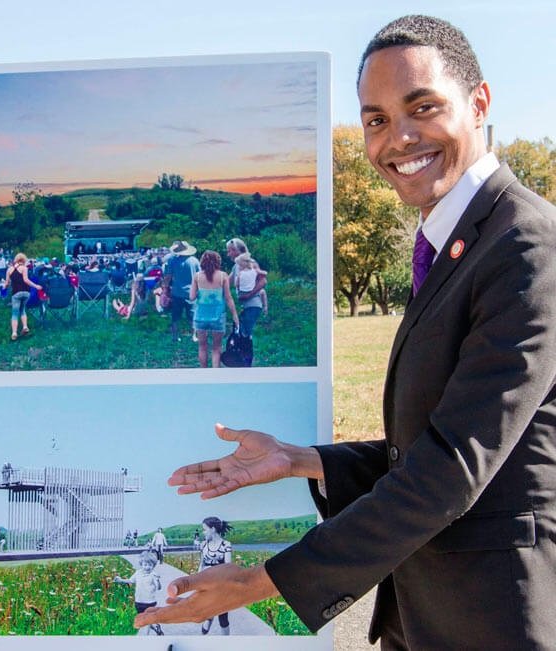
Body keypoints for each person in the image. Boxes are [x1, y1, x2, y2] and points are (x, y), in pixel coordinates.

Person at [134, 15, 556, 650]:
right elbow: (422, 444)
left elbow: (451, 469)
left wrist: (255, 582)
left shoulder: (525, 245)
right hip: (427, 614)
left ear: (479, 103)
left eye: (423, 106)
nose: (398, 138)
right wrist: (297, 460)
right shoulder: (453, 239)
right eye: (376, 119)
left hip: (491, 618)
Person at [189, 250, 239, 368]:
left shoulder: (197, 276)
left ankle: (204, 373)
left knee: (202, 347)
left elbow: (191, 297)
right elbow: (228, 298)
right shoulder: (223, 276)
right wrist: (234, 314)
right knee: (216, 348)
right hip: (218, 317)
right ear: (218, 262)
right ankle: (215, 373)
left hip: (201, 317)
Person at [226, 238, 267, 366]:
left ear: (236, 250)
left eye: (229, 251)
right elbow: (227, 282)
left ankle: (246, 362)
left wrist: (249, 294)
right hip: (245, 305)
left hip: (253, 303)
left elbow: (263, 281)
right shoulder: (236, 266)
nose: (228, 254)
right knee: (239, 330)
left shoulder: (250, 263)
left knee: (245, 333)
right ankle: (241, 358)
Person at [114, 551, 164, 635]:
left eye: (150, 565)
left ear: (153, 566)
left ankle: (145, 638)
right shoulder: (138, 573)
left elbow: (159, 588)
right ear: (141, 564)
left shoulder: (153, 575)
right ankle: (156, 627)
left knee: (146, 621)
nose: (147, 567)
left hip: (150, 602)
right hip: (139, 601)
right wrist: (121, 580)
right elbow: (130, 581)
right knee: (145, 620)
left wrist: (158, 580)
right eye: (145, 565)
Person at [197, 517, 233, 636]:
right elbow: (201, 565)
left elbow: (228, 567)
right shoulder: (204, 545)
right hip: (206, 584)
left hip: (220, 584)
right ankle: (208, 619)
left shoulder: (225, 545)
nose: (203, 532)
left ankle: (226, 643)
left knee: (223, 616)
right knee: (207, 610)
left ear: (212, 529)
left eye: (204, 529)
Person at [162, 240, 200, 342]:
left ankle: (175, 336)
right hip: (191, 292)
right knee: (192, 316)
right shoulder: (194, 261)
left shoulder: (172, 261)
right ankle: (193, 336)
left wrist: (165, 289)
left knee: (175, 316)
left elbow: (168, 277)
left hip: (177, 292)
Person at [3, 253, 42, 340]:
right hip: (26, 292)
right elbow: (26, 280)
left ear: (16, 260)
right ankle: (25, 326)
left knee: (15, 313)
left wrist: (4, 286)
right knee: (22, 309)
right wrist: (36, 286)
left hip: (16, 293)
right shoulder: (24, 268)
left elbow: (7, 283)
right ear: (24, 260)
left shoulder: (9, 270)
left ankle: (14, 333)